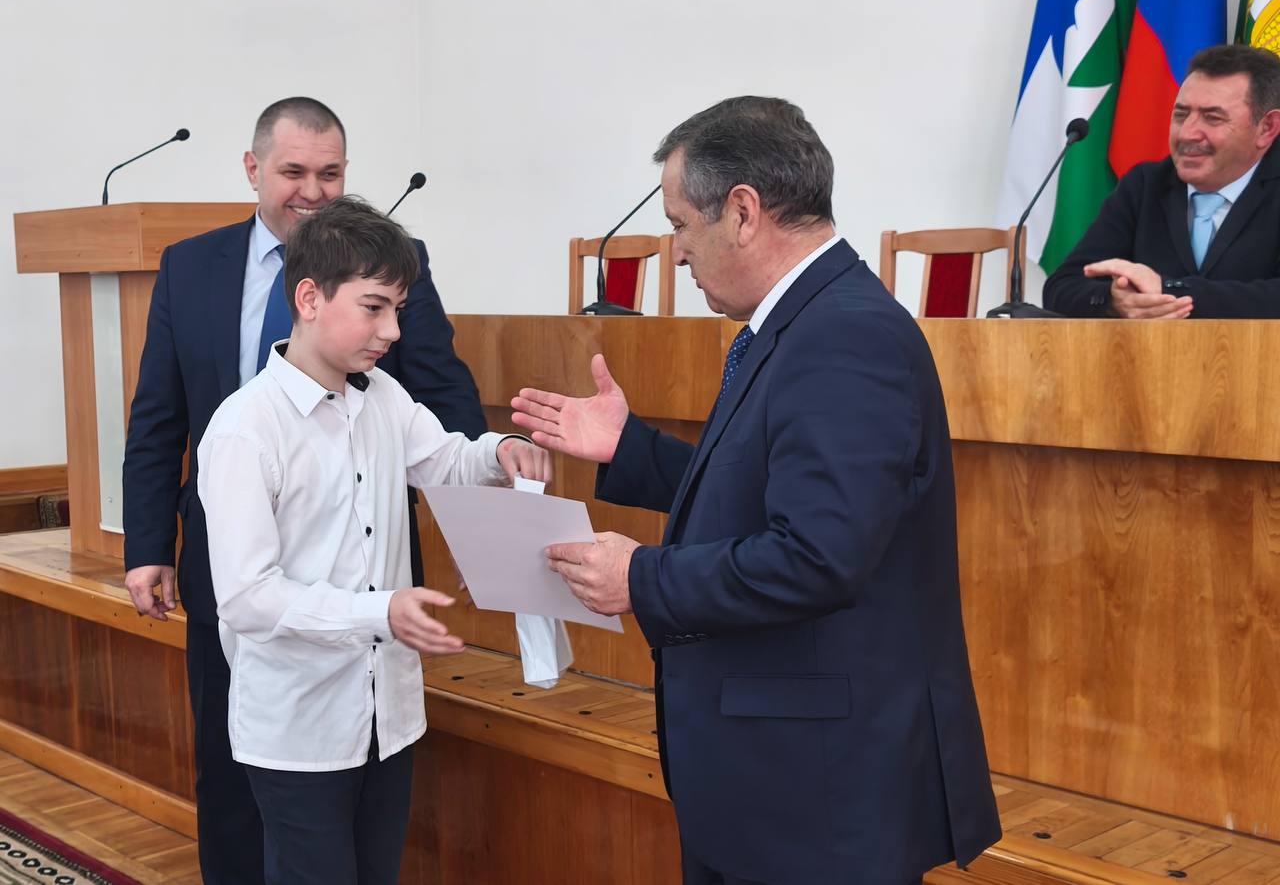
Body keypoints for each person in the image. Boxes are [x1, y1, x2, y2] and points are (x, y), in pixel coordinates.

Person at [512, 96, 1000, 884]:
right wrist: (631, 450)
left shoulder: (843, 334)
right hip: (780, 786)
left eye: (680, 225)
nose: (676, 254)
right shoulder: (804, 321)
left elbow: (817, 555)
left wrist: (641, 577)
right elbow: (770, 492)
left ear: (742, 212)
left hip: (818, 801)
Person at [120, 97, 485, 884]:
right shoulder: (198, 285)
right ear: (254, 170)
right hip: (239, 574)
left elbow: (445, 424)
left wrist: (504, 463)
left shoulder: (381, 379)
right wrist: (147, 544)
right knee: (237, 783)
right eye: (294, 171)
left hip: (368, 626)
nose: (313, 191)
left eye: (330, 173)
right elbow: (158, 416)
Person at [196, 195, 550, 884]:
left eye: (399, 309)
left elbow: (444, 460)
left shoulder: (382, 396)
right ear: (309, 298)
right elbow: (246, 598)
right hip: (299, 725)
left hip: (388, 713)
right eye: (374, 307)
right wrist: (379, 611)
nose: (392, 330)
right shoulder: (245, 429)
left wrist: (500, 450)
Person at [1045, 44, 1280, 318]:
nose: (1188, 133)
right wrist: (1115, 299)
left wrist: (1169, 291)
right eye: (1181, 115)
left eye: (1212, 118)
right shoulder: (1146, 185)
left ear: (1267, 128)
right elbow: (1062, 287)